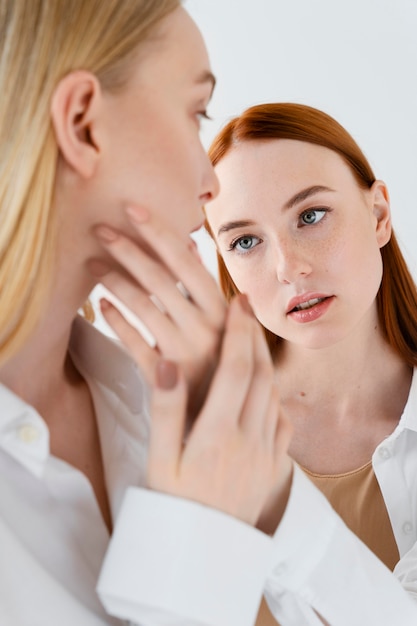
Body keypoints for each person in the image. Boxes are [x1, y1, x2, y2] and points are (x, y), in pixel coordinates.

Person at [0, 4, 293, 626]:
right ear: (82, 125)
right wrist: (204, 552)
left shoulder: (154, 402)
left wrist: (261, 500)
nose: (210, 184)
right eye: (197, 114)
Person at [204, 102, 417, 624]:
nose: (289, 267)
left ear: (379, 215)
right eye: (246, 241)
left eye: (311, 215)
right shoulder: (194, 438)